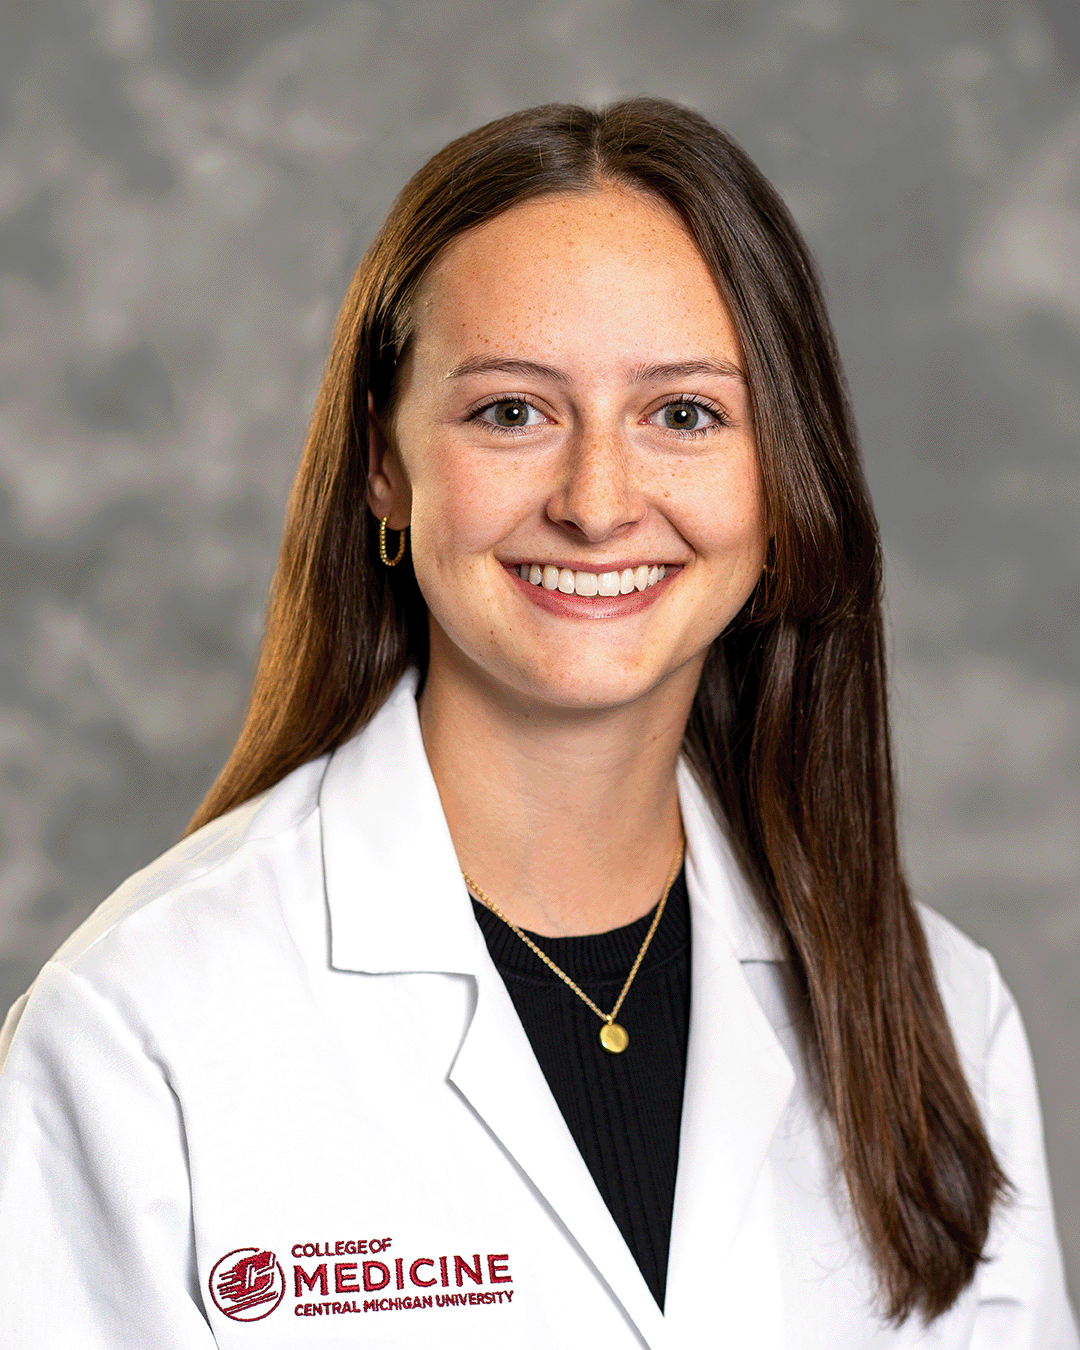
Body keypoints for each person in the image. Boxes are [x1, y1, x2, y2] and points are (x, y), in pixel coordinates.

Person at [0, 98, 1075, 1349]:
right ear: (383, 470)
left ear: (784, 481)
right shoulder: (140, 1031)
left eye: (685, 414)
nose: (599, 503)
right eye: (512, 410)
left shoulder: (939, 1012)